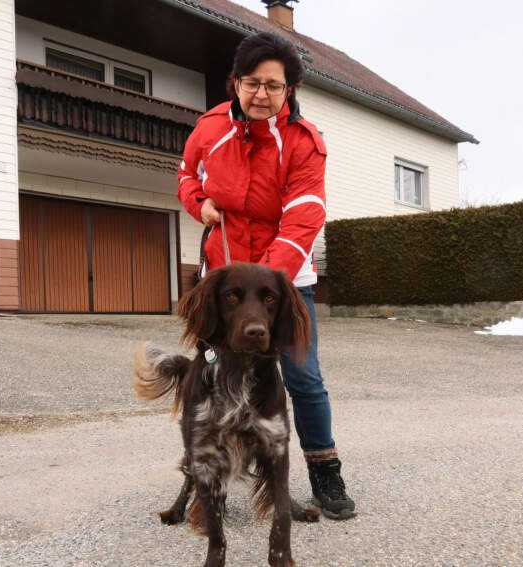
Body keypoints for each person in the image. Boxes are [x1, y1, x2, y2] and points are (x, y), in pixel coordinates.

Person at [176, 31, 356, 520]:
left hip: (284, 285)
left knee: (303, 377)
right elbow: (186, 175)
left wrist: (267, 286)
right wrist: (200, 203)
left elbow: (306, 215)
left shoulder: (304, 142)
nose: (262, 94)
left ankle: (324, 470)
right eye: (253, 83)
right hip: (225, 287)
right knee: (213, 378)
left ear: (290, 89)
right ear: (235, 83)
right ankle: (205, 471)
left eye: (273, 86)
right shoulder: (209, 128)